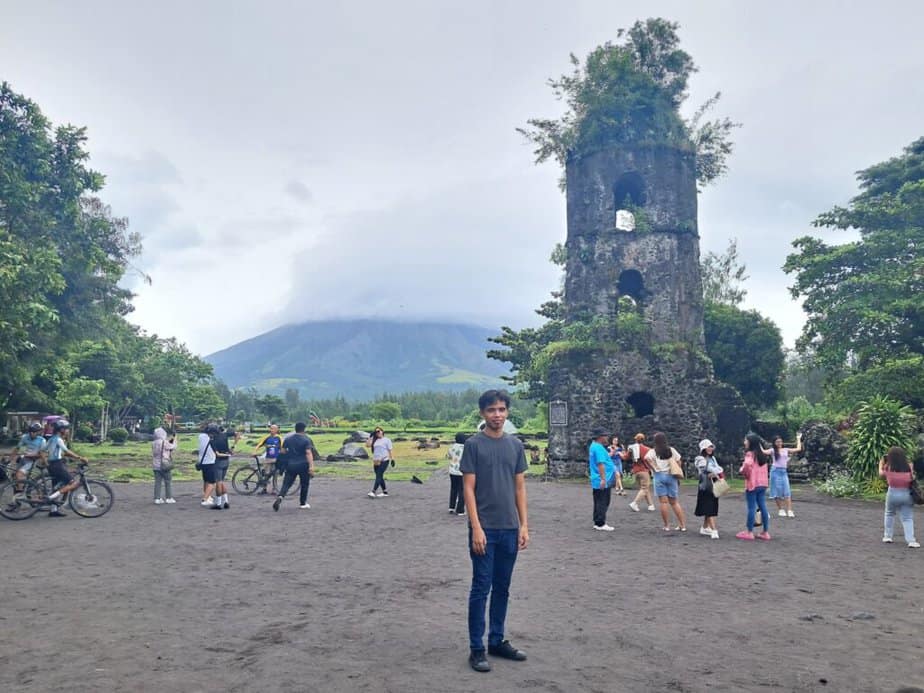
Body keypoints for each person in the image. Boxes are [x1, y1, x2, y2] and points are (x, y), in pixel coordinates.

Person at [461, 389, 529, 673]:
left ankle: (497, 640)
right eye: (492, 410)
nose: (497, 415)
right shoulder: (474, 445)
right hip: (485, 529)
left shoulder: (515, 446)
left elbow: (519, 487)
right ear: (482, 414)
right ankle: (477, 648)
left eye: (501, 409)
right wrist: (476, 527)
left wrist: (524, 524)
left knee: (502, 587)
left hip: (510, 527)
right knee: (481, 587)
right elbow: (468, 488)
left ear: (507, 412)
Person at [44, 420, 88, 517]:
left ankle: (53, 510)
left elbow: (43, 450)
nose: (68, 431)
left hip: (51, 465)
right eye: (67, 429)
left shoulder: (51, 439)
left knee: (56, 486)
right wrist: (80, 458)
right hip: (57, 465)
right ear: (61, 429)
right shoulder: (58, 439)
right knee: (73, 483)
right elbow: (67, 451)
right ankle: (50, 498)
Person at [645, 432, 687, 532]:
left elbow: (646, 458)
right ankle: (682, 525)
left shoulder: (653, 451)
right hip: (671, 476)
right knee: (674, 502)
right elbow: (679, 460)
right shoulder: (671, 450)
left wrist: (653, 468)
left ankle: (667, 525)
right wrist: (677, 469)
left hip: (659, 476)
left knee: (663, 502)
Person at [879, 447, 919, 548]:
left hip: (892, 493)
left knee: (889, 514)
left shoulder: (888, 467)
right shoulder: (909, 466)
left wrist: (880, 464)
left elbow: (881, 474)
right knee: (907, 518)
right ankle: (911, 540)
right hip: (906, 494)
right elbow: (912, 477)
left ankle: (887, 536)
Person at [272, 422, 315, 511]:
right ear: (304, 429)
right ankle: (303, 503)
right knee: (304, 484)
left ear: (295, 429)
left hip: (291, 464)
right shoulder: (306, 440)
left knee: (286, 483)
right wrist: (311, 466)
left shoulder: (288, 439)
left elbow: (283, 451)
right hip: (303, 465)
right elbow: (308, 453)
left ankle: (280, 496)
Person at [737, 434, 772, 541]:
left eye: (746, 440)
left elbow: (747, 465)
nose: (744, 442)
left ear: (750, 442)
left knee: (752, 507)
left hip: (753, 484)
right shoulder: (763, 455)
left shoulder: (750, 454)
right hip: (763, 484)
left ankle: (749, 532)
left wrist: (743, 471)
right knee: (763, 507)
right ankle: (765, 532)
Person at [693, 439, 723, 539]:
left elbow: (718, 469)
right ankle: (714, 529)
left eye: (711, 447)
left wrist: (715, 472)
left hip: (714, 484)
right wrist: (714, 472)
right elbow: (705, 469)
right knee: (708, 506)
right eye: (708, 447)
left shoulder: (713, 458)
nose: (710, 449)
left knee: (711, 506)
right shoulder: (700, 459)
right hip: (705, 486)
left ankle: (705, 527)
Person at [769, 433, 802, 518]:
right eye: (777, 442)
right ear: (774, 443)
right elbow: (763, 452)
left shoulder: (786, 449)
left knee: (787, 491)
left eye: (780, 441)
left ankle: (790, 510)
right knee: (776, 491)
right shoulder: (772, 450)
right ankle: (780, 509)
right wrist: (757, 444)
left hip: (783, 472)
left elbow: (798, 449)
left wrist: (798, 438)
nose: (779, 443)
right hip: (775, 471)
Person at [589, 429, 616, 531]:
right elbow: (600, 464)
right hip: (602, 478)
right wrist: (603, 479)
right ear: (600, 437)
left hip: (596, 478)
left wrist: (610, 454)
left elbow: (602, 459)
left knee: (598, 500)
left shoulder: (594, 446)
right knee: (603, 501)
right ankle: (601, 523)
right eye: (605, 436)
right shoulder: (599, 448)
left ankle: (597, 521)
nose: (607, 438)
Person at [628, 433, 655, 512]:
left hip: (636, 471)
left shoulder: (631, 448)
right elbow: (650, 459)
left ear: (635, 439)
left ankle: (651, 505)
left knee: (644, 488)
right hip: (644, 471)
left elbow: (626, 457)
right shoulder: (647, 449)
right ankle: (634, 503)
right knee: (645, 488)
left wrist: (620, 453)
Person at [209, 426, 234, 509]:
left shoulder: (212, 441)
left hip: (219, 462)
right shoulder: (224, 435)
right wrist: (232, 448)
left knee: (218, 483)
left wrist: (227, 454)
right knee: (222, 482)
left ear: (213, 433)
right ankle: (226, 501)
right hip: (226, 462)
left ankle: (219, 504)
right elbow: (237, 434)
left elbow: (218, 454)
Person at [15, 422, 46, 489]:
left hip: (33, 461)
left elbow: (42, 454)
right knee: (15, 475)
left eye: (34, 432)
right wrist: (10, 458)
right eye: (31, 431)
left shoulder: (42, 440)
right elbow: (17, 448)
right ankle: (22, 486)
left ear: (38, 432)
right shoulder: (25, 437)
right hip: (24, 458)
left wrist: (31, 455)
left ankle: (20, 493)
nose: (32, 433)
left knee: (19, 474)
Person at [253, 424, 283, 491]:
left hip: (276, 458)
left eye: (273, 429)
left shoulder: (279, 438)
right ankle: (264, 489)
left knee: (275, 474)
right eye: (271, 428)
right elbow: (259, 445)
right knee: (266, 474)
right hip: (268, 458)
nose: (271, 430)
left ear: (277, 430)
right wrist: (254, 451)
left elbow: (282, 447)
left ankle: (274, 489)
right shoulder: (267, 437)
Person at [151, 427, 177, 504]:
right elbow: (173, 446)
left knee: (157, 482)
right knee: (168, 481)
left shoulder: (153, 443)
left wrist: (171, 440)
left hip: (156, 465)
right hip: (164, 464)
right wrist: (174, 438)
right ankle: (169, 498)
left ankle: (157, 498)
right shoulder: (164, 442)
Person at [367, 427, 394, 498]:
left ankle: (373, 491)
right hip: (376, 461)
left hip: (384, 460)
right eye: (376, 432)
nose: (378, 433)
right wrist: (370, 437)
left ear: (382, 431)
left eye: (379, 431)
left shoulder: (387, 440)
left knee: (378, 475)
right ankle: (385, 492)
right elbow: (367, 445)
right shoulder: (374, 440)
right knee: (379, 476)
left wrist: (392, 459)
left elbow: (390, 450)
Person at [447, 433, 469, 515]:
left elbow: (448, 456)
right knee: (462, 490)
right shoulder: (465, 448)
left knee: (453, 489)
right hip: (461, 472)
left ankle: (451, 507)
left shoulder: (452, 447)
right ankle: (460, 510)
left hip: (452, 471)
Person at [198, 424, 219, 507]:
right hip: (210, 462)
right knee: (212, 483)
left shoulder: (201, 437)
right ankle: (205, 499)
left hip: (202, 462)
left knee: (206, 480)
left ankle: (207, 495)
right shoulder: (212, 440)